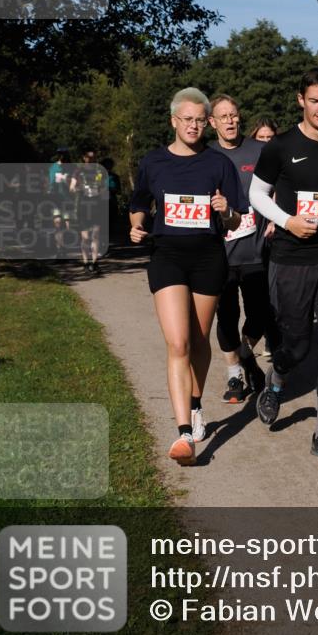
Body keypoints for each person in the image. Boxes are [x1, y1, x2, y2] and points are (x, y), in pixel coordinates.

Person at [249, 68, 318, 462]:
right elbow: (257, 194)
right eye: (314, 100)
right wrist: (286, 221)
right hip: (291, 260)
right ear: (301, 99)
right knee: (296, 347)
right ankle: (276, 380)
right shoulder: (280, 147)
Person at [129, 88, 246, 465]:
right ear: (174, 121)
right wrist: (136, 225)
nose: (194, 126)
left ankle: (195, 403)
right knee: (177, 343)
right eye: (188, 119)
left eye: (200, 120)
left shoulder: (218, 164)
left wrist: (226, 209)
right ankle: (183, 435)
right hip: (167, 256)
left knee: (198, 339)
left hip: (208, 257)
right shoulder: (154, 162)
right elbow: (138, 203)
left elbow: (235, 219)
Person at [208, 93, 280, 403]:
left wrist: (277, 216)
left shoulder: (260, 151)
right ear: (212, 122)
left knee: (260, 314)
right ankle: (235, 374)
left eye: (233, 115)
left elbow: (280, 186)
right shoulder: (205, 155)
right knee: (225, 316)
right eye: (223, 116)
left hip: (256, 247)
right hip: (220, 251)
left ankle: (243, 354)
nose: (230, 121)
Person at [70, 148, 108, 274]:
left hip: (96, 206)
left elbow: (104, 188)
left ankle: (95, 262)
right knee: (85, 237)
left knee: (95, 235)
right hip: (83, 207)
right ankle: (86, 262)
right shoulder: (78, 171)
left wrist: (102, 193)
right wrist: (78, 188)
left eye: (93, 158)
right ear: (84, 158)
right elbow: (71, 187)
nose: (91, 160)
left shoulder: (99, 171)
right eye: (89, 158)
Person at [47, 149, 73, 256]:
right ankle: (59, 250)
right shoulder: (53, 167)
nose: (63, 156)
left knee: (67, 226)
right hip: (55, 200)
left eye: (65, 154)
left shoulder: (70, 167)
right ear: (58, 155)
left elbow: (74, 182)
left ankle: (65, 248)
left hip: (68, 200)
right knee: (57, 224)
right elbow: (51, 183)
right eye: (61, 154)